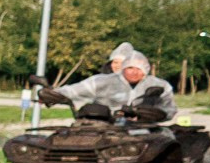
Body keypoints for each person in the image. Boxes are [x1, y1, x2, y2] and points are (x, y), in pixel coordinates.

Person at [37, 43, 177, 122]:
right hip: (102, 126)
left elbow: (169, 109)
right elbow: (76, 90)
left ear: (145, 70)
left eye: (138, 68)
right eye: (129, 68)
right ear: (123, 68)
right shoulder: (102, 81)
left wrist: (155, 114)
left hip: (142, 130)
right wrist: (52, 94)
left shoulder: (159, 85)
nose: (133, 72)